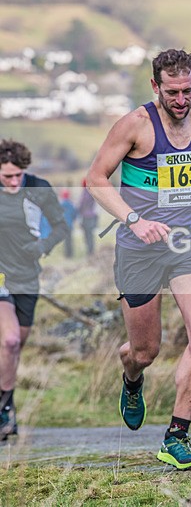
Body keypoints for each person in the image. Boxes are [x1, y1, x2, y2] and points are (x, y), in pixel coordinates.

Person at [86, 48, 191, 470]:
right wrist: (134, 219)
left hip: (189, 244)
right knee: (145, 350)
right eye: (172, 92)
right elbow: (95, 179)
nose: (181, 100)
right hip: (139, 246)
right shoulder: (135, 126)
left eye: (187, 91)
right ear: (155, 87)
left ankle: (176, 437)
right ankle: (132, 378)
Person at [0, 139, 67, 441]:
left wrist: (42, 245)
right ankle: (4, 412)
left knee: (14, 347)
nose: (14, 182)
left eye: (18, 176)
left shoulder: (39, 188)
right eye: (7, 177)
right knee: (11, 340)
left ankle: (7, 408)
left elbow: (61, 226)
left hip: (27, 276)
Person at [77, 179, 98, 256]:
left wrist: (78, 211)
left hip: (86, 217)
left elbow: (81, 205)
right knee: (90, 235)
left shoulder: (85, 193)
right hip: (92, 216)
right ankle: (91, 251)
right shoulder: (92, 192)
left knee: (87, 236)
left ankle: (90, 252)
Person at [59, 189, 77, 258]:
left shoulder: (61, 204)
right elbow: (74, 214)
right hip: (70, 225)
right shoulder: (71, 205)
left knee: (65, 241)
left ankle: (66, 254)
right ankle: (71, 254)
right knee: (70, 240)